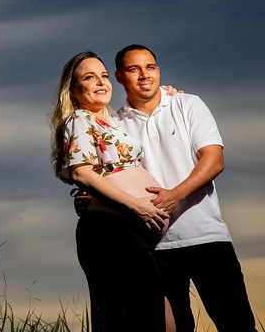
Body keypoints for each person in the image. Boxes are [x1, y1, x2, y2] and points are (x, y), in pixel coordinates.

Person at [111, 44, 257, 332]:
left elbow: (214, 161)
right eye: (134, 69)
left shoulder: (188, 104)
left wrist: (174, 195)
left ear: (158, 70)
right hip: (153, 247)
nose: (144, 75)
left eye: (150, 67)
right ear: (119, 77)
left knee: (238, 325)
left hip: (206, 236)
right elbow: (109, 179)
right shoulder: (114, 125)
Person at [50, 50, 172, 332]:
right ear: (73, 89)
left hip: (130, 232)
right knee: (129, 320)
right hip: (110, 232)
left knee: (159, 318)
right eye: (89, 77)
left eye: (104, 76)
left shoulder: (112, 123)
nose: (101, 82)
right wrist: (136, 204)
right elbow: (81, 172)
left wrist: (165, 93)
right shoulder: (80, 119)